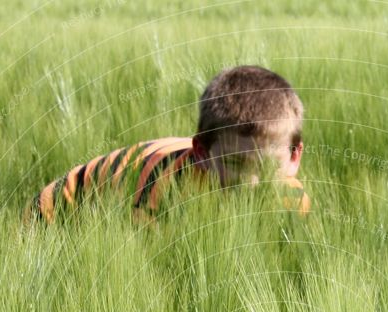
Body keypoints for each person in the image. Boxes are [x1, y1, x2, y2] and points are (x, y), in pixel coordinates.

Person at [23, 65, 310, 226]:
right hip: (54, 214)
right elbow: (143, 274)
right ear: (202, 153)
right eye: (234, 164)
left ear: (294, 157)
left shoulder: (293, 201)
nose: (251, 182)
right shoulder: (159, 189)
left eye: (267, 166)